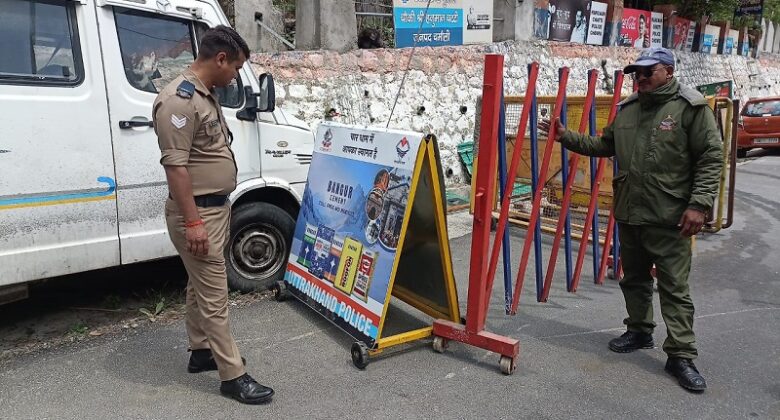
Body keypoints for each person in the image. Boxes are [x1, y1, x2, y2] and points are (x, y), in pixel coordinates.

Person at [540, 47, 722, 392]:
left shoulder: (690, 109)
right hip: (630, 212)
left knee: (674, 288)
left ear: (668, 71)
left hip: (670, 216)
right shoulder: (628, 110)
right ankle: (639, 331)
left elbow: (711, 158)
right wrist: (566, 136)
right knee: (634, 279)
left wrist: (699, 205)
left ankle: (681, 355)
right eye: (636, 73)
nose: (640, 78)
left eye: (648, 72)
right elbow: (602, 145)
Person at [152, 25, 274, 405]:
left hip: (214, 210)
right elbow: (176, 169)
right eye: (235, 68)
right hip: (198, 214)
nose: (235, 76)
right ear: (221, 59)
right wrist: (193, 223)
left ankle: (201, 351)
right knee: (215, 295)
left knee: (199, 284)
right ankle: (232, 375)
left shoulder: (205, 94)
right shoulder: (178, 101)